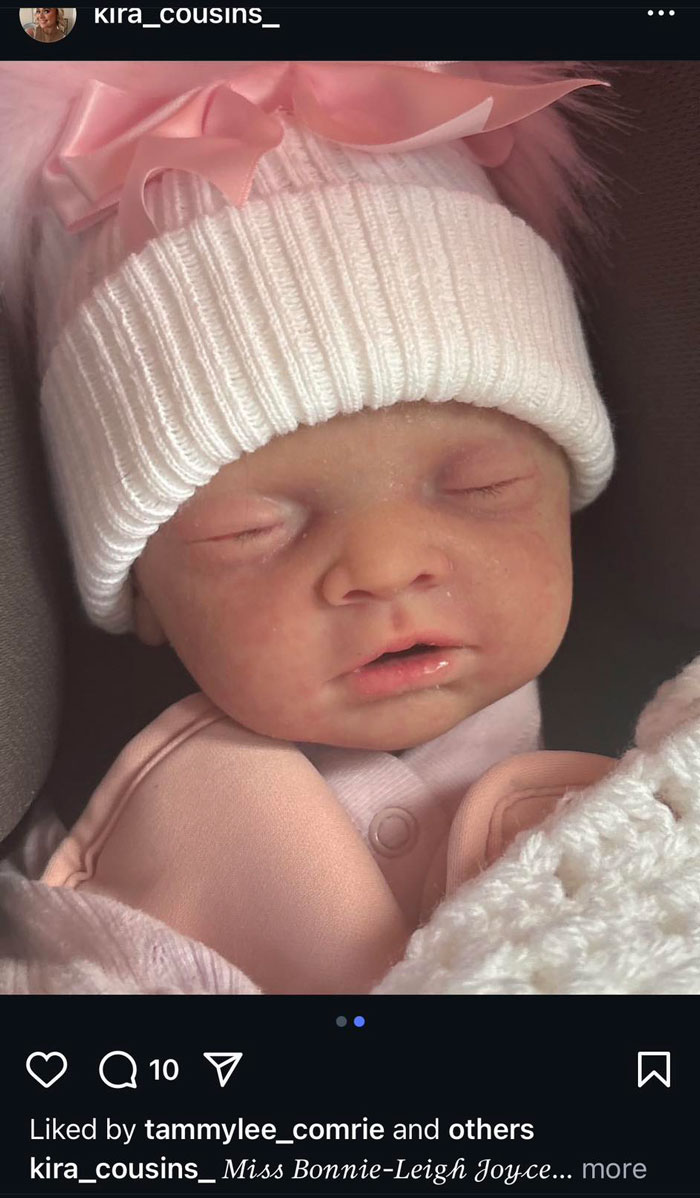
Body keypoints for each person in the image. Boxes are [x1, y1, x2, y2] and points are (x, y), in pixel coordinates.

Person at [0, 62, 637, 993]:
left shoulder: (654, 774)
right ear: (147, 592)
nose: (384, 566)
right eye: (254, 531)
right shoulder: (98, 884)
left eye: (480, 487)